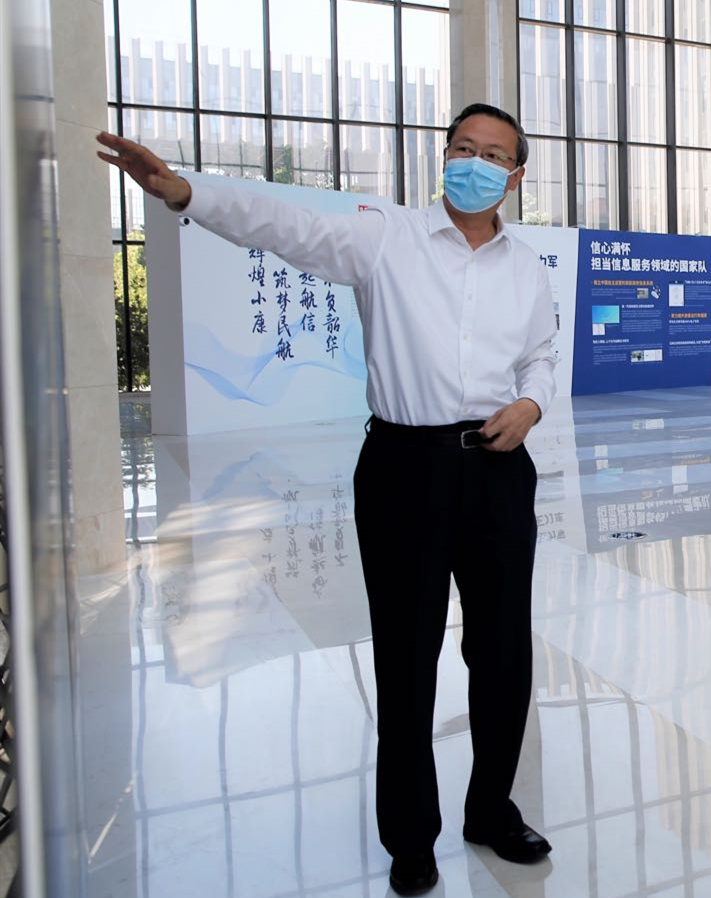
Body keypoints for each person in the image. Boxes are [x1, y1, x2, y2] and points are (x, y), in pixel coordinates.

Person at [98, 102, 556, 896]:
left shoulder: (525, 266)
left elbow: (541, 354)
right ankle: (410, 837)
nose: (474, 164)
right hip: (405, 468)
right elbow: (285, 225)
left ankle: (491, 809)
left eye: (492, 156)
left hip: (497, 469)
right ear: (442, 156)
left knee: (502, 652)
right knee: (405, 658)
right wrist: (186, 193)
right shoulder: (386, 238)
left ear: (515, 178)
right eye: (462, 148)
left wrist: (531, 404)